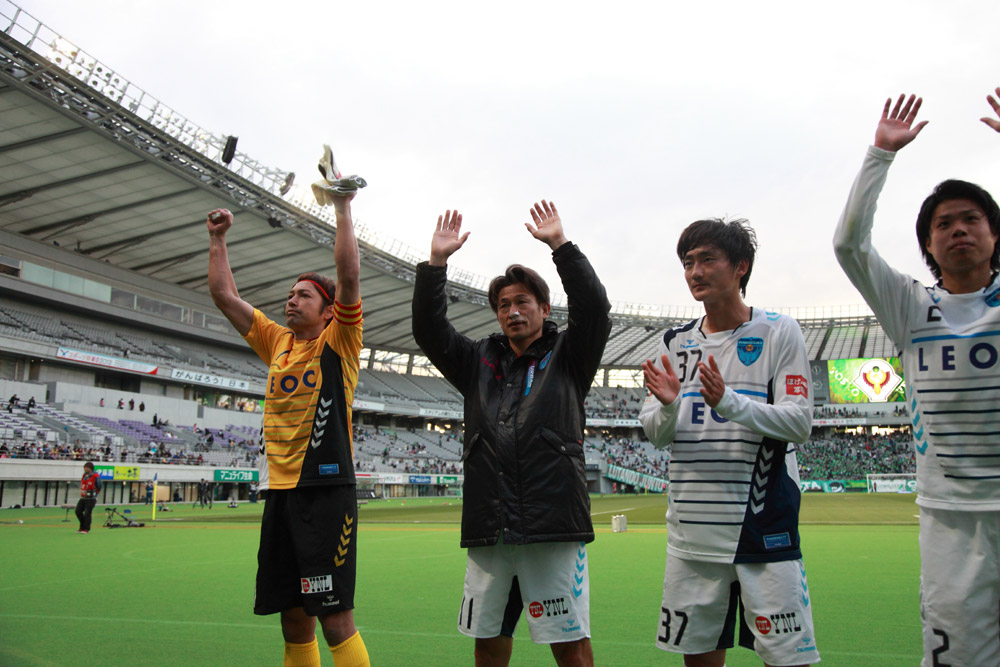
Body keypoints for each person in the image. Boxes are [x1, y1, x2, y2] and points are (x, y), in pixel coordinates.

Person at [834, 90, 1000, 666]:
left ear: (995, 235)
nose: (959, 230)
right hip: (950, 520)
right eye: (944, 223)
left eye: (972, 219)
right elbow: (849, 245)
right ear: (928, 244)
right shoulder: (910, 307)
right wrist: (880, 154)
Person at [412, 201, 611, 667]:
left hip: (552, 526)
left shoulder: (568, 355)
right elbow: (429, 330)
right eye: (504, 305)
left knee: (570, 644)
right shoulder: (477, 361)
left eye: (523, 302)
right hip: (490, 526)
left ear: (544, 307)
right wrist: (435, 265)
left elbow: (596, 309)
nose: (513, 312)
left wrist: (560, 246)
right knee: (488, 640)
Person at [639, 218, 818, 666]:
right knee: (698, 658)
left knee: (786, 659)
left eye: (706, 259)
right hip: (691, 537)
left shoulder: (779, 331)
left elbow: (799, 423)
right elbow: (656, 435)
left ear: (741, 267)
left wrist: (729, 402)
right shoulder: (673, 342)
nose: (695, 271)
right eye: (687, 262)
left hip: (764, 532)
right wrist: (667, 406)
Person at [206, 188, 369, 666]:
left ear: (328, 311)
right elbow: (223, 295)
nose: (291, 300)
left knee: (335, 616)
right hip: (279, 492)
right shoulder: (277, 342)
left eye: (304, 296)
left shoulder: (340, 340)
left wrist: (341, 209)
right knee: (293, 616)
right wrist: (217, 239)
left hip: (324, 490)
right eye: (290, 294)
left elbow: (349, 275)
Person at [75, 462, 101, 533]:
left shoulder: (96, 476)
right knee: (78, 511)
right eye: (84, 468)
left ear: (90, 468)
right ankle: (82, 526)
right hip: (83, 497)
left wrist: (95, 494)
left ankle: (86, 528)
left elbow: (99, 486)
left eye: (86, 468)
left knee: (87, 513)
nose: (85, 469)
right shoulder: (84, 475)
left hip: (91, 498)